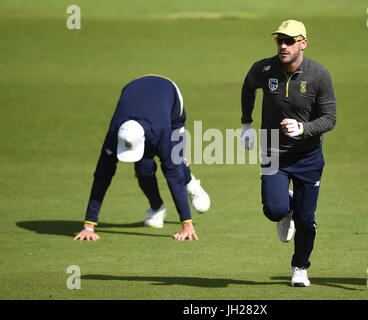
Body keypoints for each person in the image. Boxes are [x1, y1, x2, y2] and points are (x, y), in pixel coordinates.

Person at [240, 20, 336, 286]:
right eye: (279, 40)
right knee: (274, 210)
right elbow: (248, 86)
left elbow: (330, 118)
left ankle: (300, 267)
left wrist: (303, 128)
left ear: (303, 43)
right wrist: (246, 124)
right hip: (273, 151)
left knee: (306, 220)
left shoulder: (319, 75)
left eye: (289, 41)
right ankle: (286, 206)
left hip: (308, 156)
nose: (283, 45)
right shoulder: (264, 68)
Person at [73, 74, 210, 242]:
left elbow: (172, 175)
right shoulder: (115, 134)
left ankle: (192, 184)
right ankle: (157, 208)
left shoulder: (162, 133)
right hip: (134, 94)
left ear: (144, 139)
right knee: (143, 169)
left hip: (170, 99)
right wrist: (89, 225)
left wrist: (187, 225)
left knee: (176, 162)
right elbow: (102, 175)